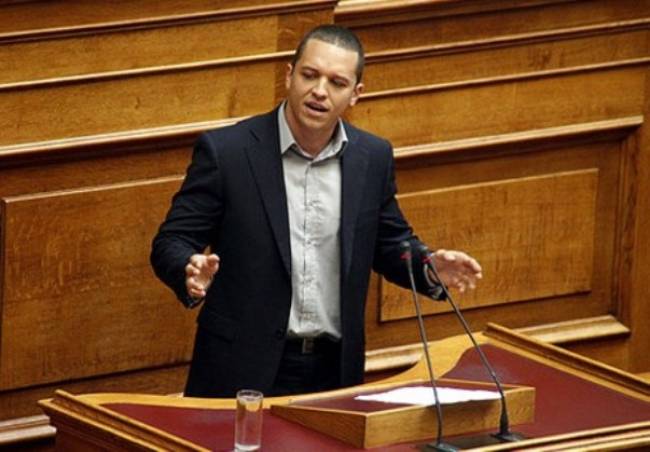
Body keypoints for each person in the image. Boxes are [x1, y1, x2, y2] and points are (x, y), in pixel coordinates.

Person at [151, 25, 482, 398]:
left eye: (337, 82)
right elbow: (172, 240)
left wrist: (428, 266)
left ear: (355, 94)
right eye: (310, 75)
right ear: (289, 76)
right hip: (240, 366)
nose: (320, 91)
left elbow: (390, 242)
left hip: (334, 369)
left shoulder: (371, 157)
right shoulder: (228, 152)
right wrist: (188, 268)